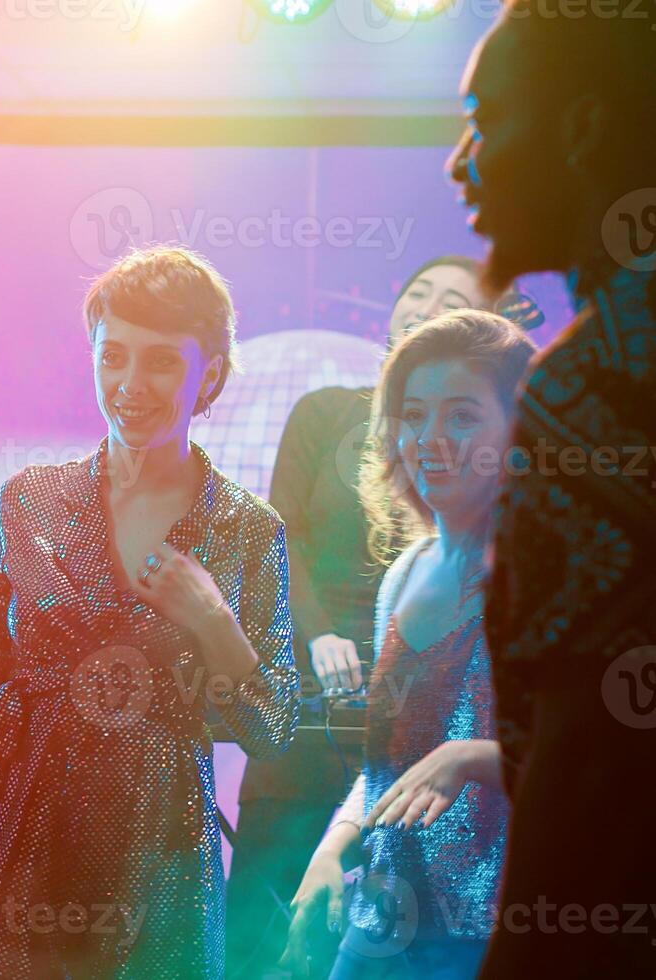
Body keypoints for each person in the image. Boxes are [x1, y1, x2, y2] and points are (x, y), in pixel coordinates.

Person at [0, 245, 299, 979]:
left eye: (161, 362)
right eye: (113, 357)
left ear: (208, 372)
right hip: (12, 838)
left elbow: (271, 729)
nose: (130, 385)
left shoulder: (246, 528)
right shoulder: (28, 500)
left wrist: (213, 622)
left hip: (157, 868)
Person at [447, 9, 656, 974]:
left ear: (579, 131)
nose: (461, 162)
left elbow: (585, 753)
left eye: (485, 121)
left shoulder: (596, 383)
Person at [225, 255, 492, 978]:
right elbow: (281, 538)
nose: (427, 306)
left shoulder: (481, 503)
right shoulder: (325, 413)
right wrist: (319, 637)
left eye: (452, 302)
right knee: (262, 921)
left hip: (422, 763)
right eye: (418, 291)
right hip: (315, 705)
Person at [280, 310, 532, 979]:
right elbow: (386, 769)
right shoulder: (406, 573)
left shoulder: (547, 576)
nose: (429, 438)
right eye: (413, 414)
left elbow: (602, 758)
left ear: (520, 430)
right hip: (379, 931)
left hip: (500, 934)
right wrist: (333, 850)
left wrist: (471, 755)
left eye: (462, 415)